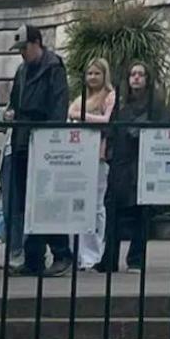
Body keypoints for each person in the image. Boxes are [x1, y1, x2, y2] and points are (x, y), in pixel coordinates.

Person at [6, 24, 71, 277]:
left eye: (25, 48)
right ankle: (33, 257)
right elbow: (15, 99)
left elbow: (58, 105)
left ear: (36, 44)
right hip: (23, 137)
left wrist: (52, 139)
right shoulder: (23, 70)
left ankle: (61, 252)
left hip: (44, 139)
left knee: (47, 200)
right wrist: (12, 112)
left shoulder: (53, 67)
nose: (22, 53)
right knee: (26, 202)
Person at [101, 62, 156, 273]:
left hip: (142, 164)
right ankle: (109, 258)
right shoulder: (121, 105)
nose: (136, 78)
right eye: (133, 74)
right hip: (120, 164)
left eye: (141, 74)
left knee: (141, 213)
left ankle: (136, 259)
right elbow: (112, 130)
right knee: (112, 210)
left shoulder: (154, 105)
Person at [68, 59, 116, 270]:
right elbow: (69, 115)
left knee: (96, 206)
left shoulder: (110, 96)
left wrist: (81, 116)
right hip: (79, 156)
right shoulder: (81, 98)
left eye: (97, 73)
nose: (93, 77)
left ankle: (93, 253)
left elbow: (107, 120)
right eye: (90, 73)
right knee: (78, 205)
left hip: (99, 155)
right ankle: (76, 253)